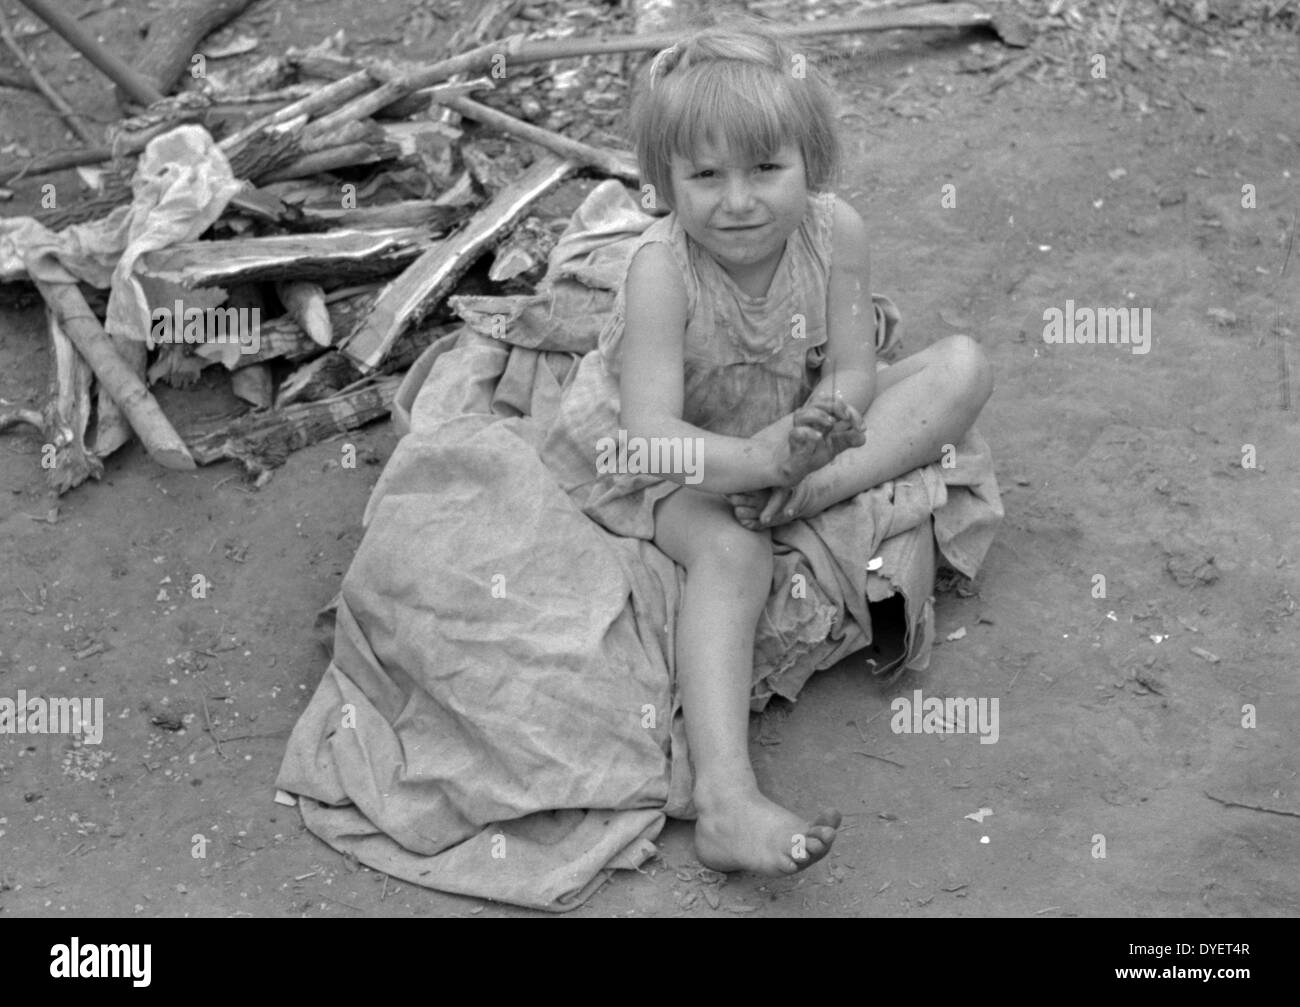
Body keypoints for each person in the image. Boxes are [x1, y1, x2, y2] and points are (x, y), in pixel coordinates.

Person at [541, 22, 994, 875]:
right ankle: (725, 797)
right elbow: (650, 436)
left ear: (811, 162)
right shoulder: (662, 271)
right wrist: (755, 462)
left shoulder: (836, 232)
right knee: (734, 549)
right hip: (680, 456)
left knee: (963, 365)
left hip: (788, 429)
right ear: (664, 181)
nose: (737, 200)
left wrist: (816, 436)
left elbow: (855, 371)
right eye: (704, 176)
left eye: (765, 169)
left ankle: (814, 496)